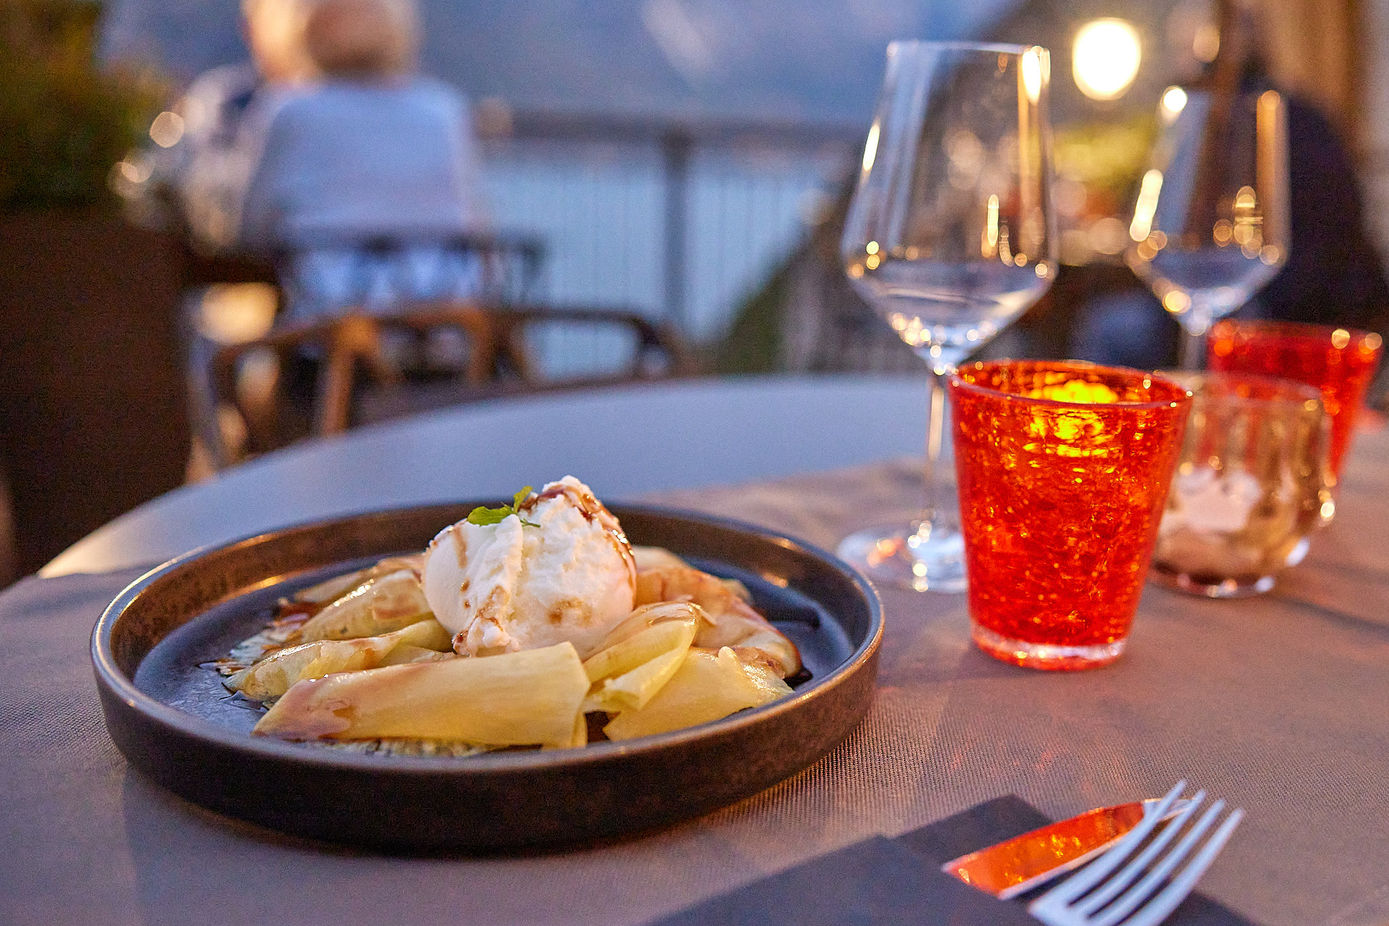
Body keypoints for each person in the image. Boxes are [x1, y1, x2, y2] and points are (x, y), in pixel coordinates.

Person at [230, 0, 490, 321]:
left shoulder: (288, 111)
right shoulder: (445, 110)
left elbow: (251, 231)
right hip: (448, 328)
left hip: (329, 334)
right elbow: (474, 223)